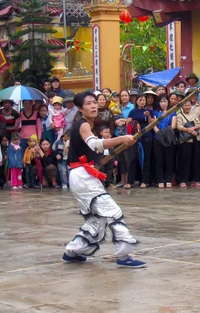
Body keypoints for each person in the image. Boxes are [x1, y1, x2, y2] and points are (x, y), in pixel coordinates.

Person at [61, 92, 144, 267]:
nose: (93, 106)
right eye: (88, 103)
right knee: (112, 212)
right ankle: (124, 255)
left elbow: (97, 150)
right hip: (82, 176)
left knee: (97, 220)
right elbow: (95, 145)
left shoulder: (88, 125)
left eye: (94, 103)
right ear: (80, 108)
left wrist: (120, 145)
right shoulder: (82, 125)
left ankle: (73, 251)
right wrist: (121, 138)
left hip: (83, 175)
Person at [128, 95, 154, 189]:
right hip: (135, 136)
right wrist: (135, 124)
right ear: (136, 101)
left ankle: (145, 181)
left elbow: (152, 123)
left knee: (146, 159)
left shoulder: (149, 110)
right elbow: (129, 122)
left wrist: (148, 116)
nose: (142, 102)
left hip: (147, 136)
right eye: (140, 100)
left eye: (144, 100)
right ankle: (130, 181)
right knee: (133, 158)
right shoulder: (133, 111)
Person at [175, 98, 200, 188]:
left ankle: (195, 179)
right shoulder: (179, 115)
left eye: (189, 105)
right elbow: (178, 126)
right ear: (182, 106)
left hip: (194, 139)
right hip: (185, 141)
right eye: (185, 105)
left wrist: (193, 129)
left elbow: (199, 124)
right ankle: (183, 180)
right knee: (184, 161)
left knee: (195, 160)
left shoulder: (193, 114)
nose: (187, 107)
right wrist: (188, 130)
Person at [152, 94, 176, 189]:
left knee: (169, 159)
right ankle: (160, 180)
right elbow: (153, 125)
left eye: (165, 101)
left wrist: (164, 132)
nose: (163, 103)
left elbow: (173, 126)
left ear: (168, 102)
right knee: (159, 160)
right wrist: (158, 132)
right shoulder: (155, 113)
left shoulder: (172, 113)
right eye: (161, 101)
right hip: (158, 138)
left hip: (168, 137)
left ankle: (169, 180)